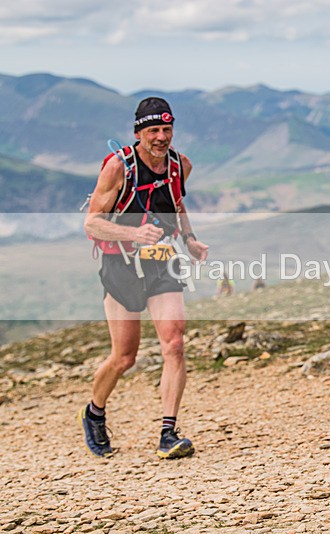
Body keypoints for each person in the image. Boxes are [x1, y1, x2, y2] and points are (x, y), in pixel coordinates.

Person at [81, 97, 209, 458]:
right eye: (153, 130)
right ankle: (94, 412)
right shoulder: (118, 167)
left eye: (167, 129)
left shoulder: (179, 165)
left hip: (161, 260)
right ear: (139, 132)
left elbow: (177, 203)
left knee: (175, 343)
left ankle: (169, 433)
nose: (161, 137)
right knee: (125, 357)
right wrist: (134, 234)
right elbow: (92, 221)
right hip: (120, 264)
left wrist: (189, 239)